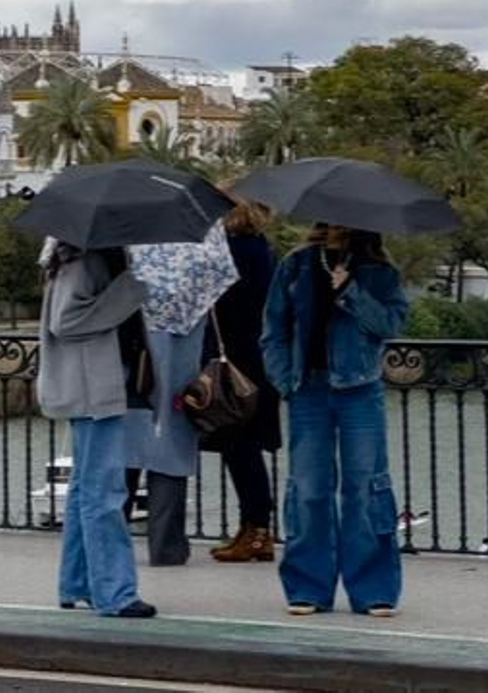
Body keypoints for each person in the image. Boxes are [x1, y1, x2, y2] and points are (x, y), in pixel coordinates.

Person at [261, 224, 409, 617]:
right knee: (308, 488)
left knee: (365, 487)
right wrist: (283, 379)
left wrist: (351, 292)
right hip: (307, 387)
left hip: (359, 388)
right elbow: (273, 327)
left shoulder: (378, 270)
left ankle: (373, 589)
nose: (332, 227)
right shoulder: (296, 265)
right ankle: (308, 587)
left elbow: (391, 325)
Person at [37, 242, 156, 618]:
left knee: (87, 489)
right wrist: (128, 293)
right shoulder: (84, 262)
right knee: (104, 491)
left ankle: (78, 583)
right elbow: (66, 320)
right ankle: (115, 593)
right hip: (93, 387)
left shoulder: (78, 258)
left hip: (92, 385)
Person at [120, 225, 238, 567]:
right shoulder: (199, 228)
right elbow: (220, 277)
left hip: (128, 346)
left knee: (122, 446)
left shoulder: (122, 230)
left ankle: (112, 541)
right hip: (181, 345)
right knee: (170, 445)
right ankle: (167, 545)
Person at [203, 199, 279, 563]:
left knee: (240, 447)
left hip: (233, 361)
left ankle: (256, 529)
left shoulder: (228, 253)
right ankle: (257, 528)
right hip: (258, 358)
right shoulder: (264, 250)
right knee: (245, 447)